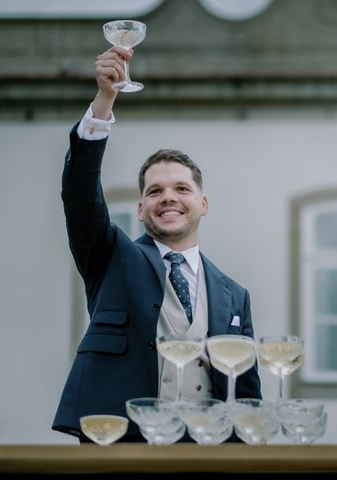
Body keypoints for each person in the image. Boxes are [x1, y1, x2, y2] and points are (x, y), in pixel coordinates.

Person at [53, 47, 261, 442]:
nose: (168, 197)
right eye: (155, 191)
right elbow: (80, 195)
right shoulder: (110, 256)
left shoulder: (235, 295)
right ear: (141, 207)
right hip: (120, 439)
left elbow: (245, 391)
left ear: (203, 203)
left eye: (181, 188)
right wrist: (103, 103)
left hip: (207, 448)